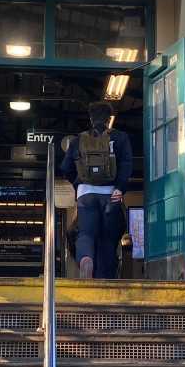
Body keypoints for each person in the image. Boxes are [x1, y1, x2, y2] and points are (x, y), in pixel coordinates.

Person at [60, 101, 133, 279]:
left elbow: (65, 167)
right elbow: (126, 164)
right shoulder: (120, 137)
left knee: (86, 233)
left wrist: (79, 184)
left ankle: (86, 259)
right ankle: (105, 279)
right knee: (108, 240)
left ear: (91, 119)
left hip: (86, 195)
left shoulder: (78, 140)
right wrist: (119, 188)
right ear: (109, 119)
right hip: (111, 196)